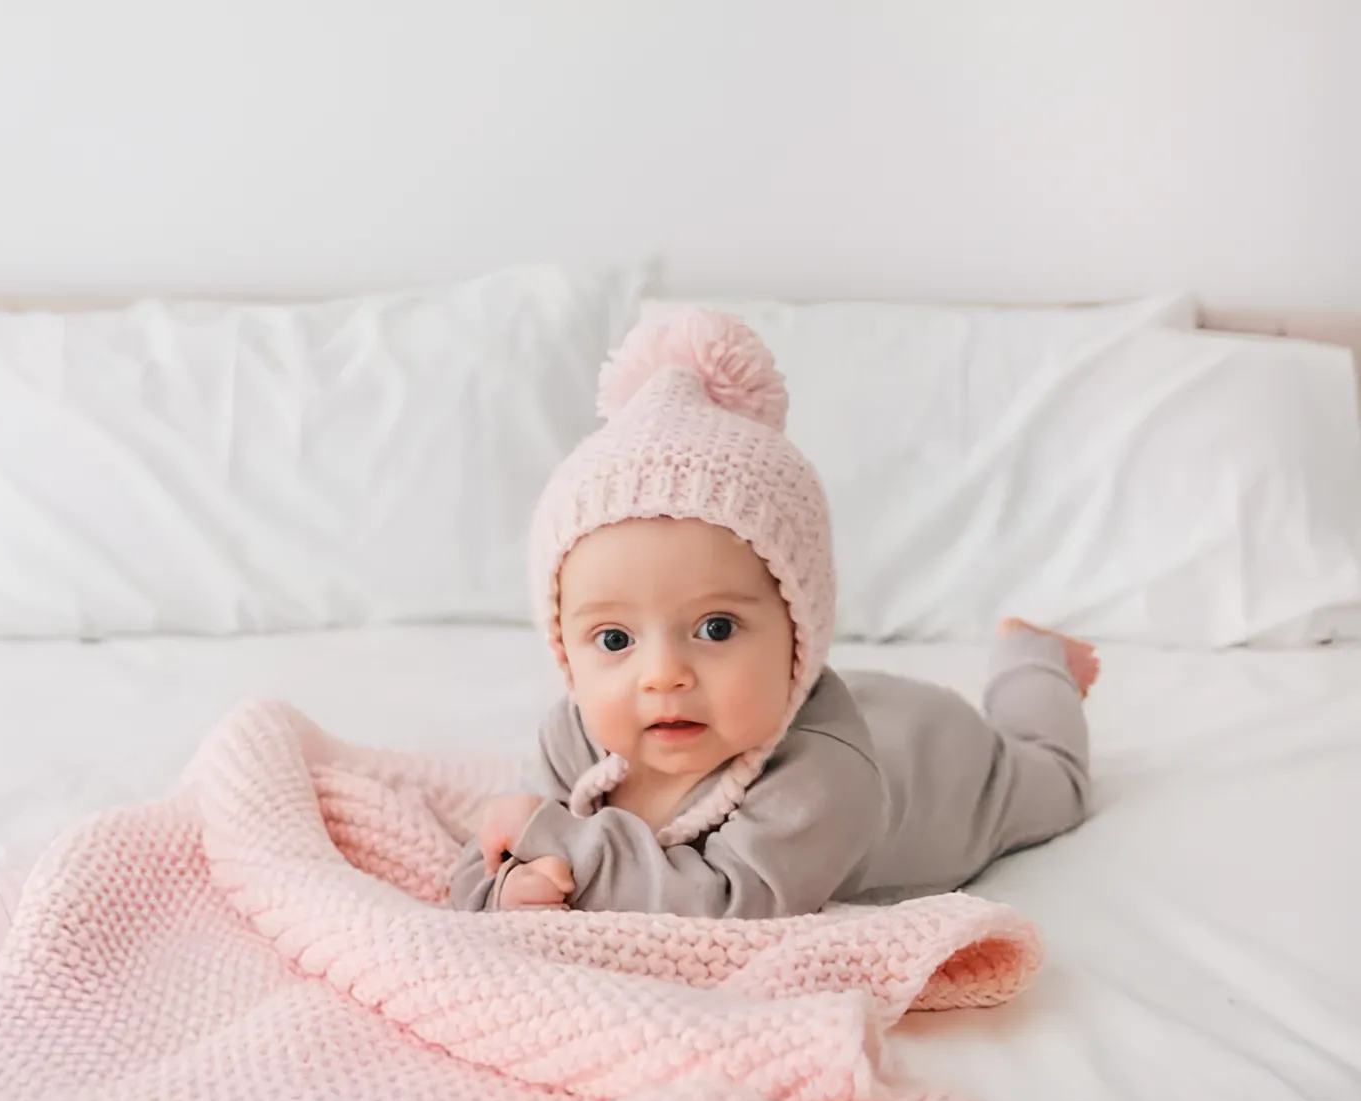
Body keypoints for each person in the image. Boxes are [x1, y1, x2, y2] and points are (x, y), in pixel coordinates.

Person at [449, 309, 1097, 917]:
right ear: (564, 647)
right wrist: (508, 888)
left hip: (940, 765)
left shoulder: (824, 779)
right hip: (865, 709)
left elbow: (729, 903)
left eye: (716, 628)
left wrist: (561, 845)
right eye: (615, 638)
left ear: (800, 630)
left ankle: (1033, 659)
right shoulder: (577, 734)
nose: (663, 674)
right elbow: (494, 849)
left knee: (1057, 785)